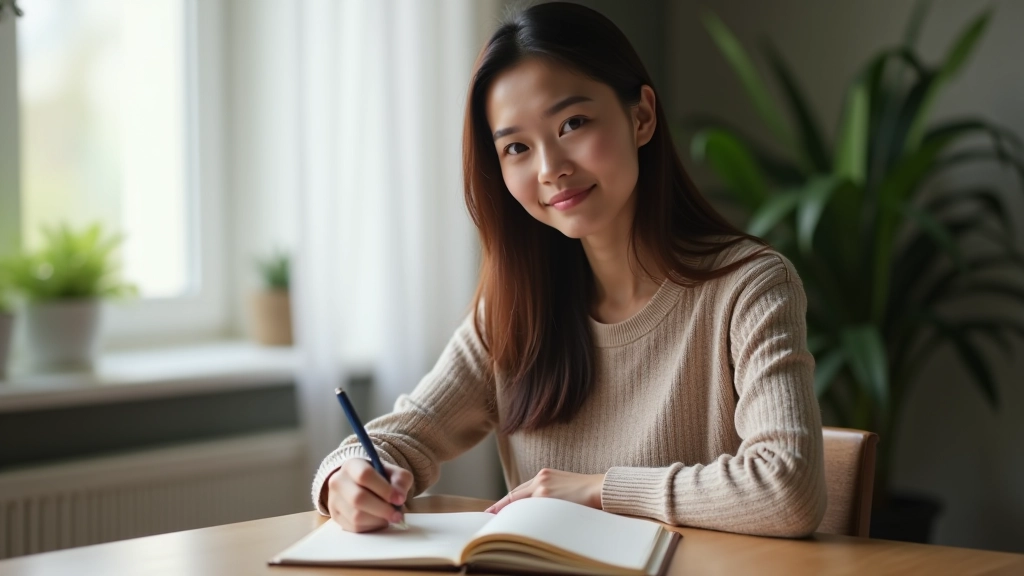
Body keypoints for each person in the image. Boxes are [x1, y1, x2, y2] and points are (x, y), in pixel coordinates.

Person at [313, 2, 826, 538]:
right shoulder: (515, 309)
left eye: (573, 123)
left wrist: (595, 490)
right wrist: (344, 480)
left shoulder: (749, 287)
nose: (550, 168)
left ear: (641, 117)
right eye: (516, 147)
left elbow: (787, 489)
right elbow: (401, 436)